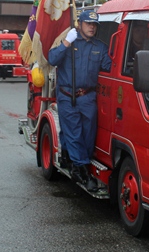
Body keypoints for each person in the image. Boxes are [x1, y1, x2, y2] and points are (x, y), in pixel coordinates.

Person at [48, 10, 112, 191]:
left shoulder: (99, 47)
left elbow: (110, 67)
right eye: (88, 24)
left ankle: (69, 156)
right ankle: (82, 172)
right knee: (74, 132)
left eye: (94, 25)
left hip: (88, 97)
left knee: (88, 135)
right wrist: (66, 42)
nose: (92, 27)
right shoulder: (69, 42)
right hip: (68, 96)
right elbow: (52, 59)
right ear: (80, 24)